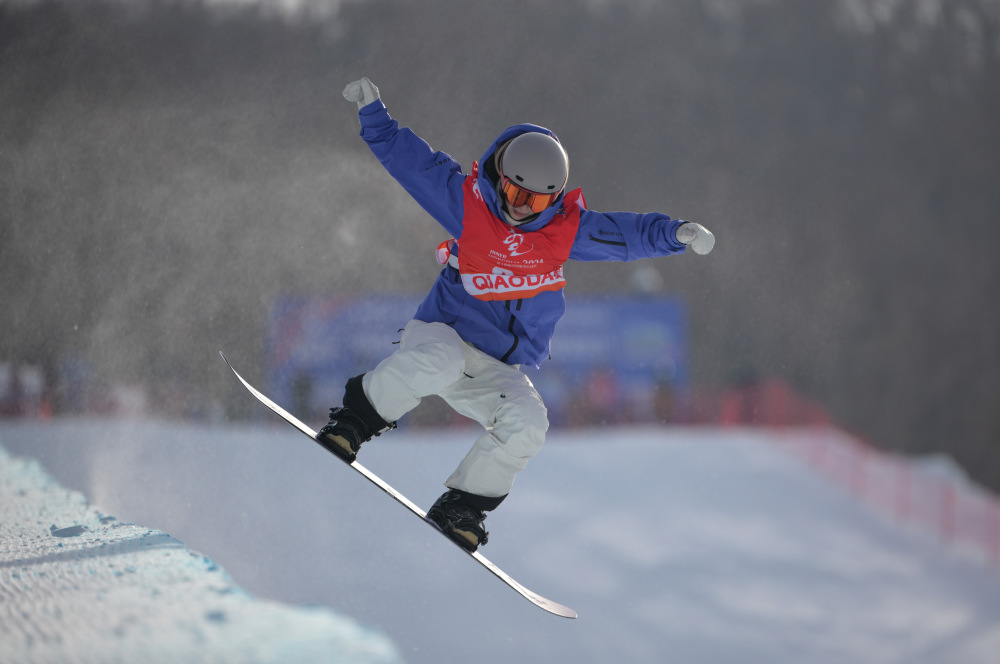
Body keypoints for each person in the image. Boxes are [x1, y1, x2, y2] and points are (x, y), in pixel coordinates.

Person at [317, 77, 716, 552]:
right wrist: (374, 116)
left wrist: (676, 234)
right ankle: (354, 422)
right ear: (500, 176)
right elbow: (413, 164)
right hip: (440, 335)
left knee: (529, 421)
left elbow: (624, 235)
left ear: (555, 198)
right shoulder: (471, 204)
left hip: (493, 367)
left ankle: (463, 505)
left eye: (537, 200)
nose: (520, 207)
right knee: (438, 362)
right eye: (514, 191)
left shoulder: (563, 233)